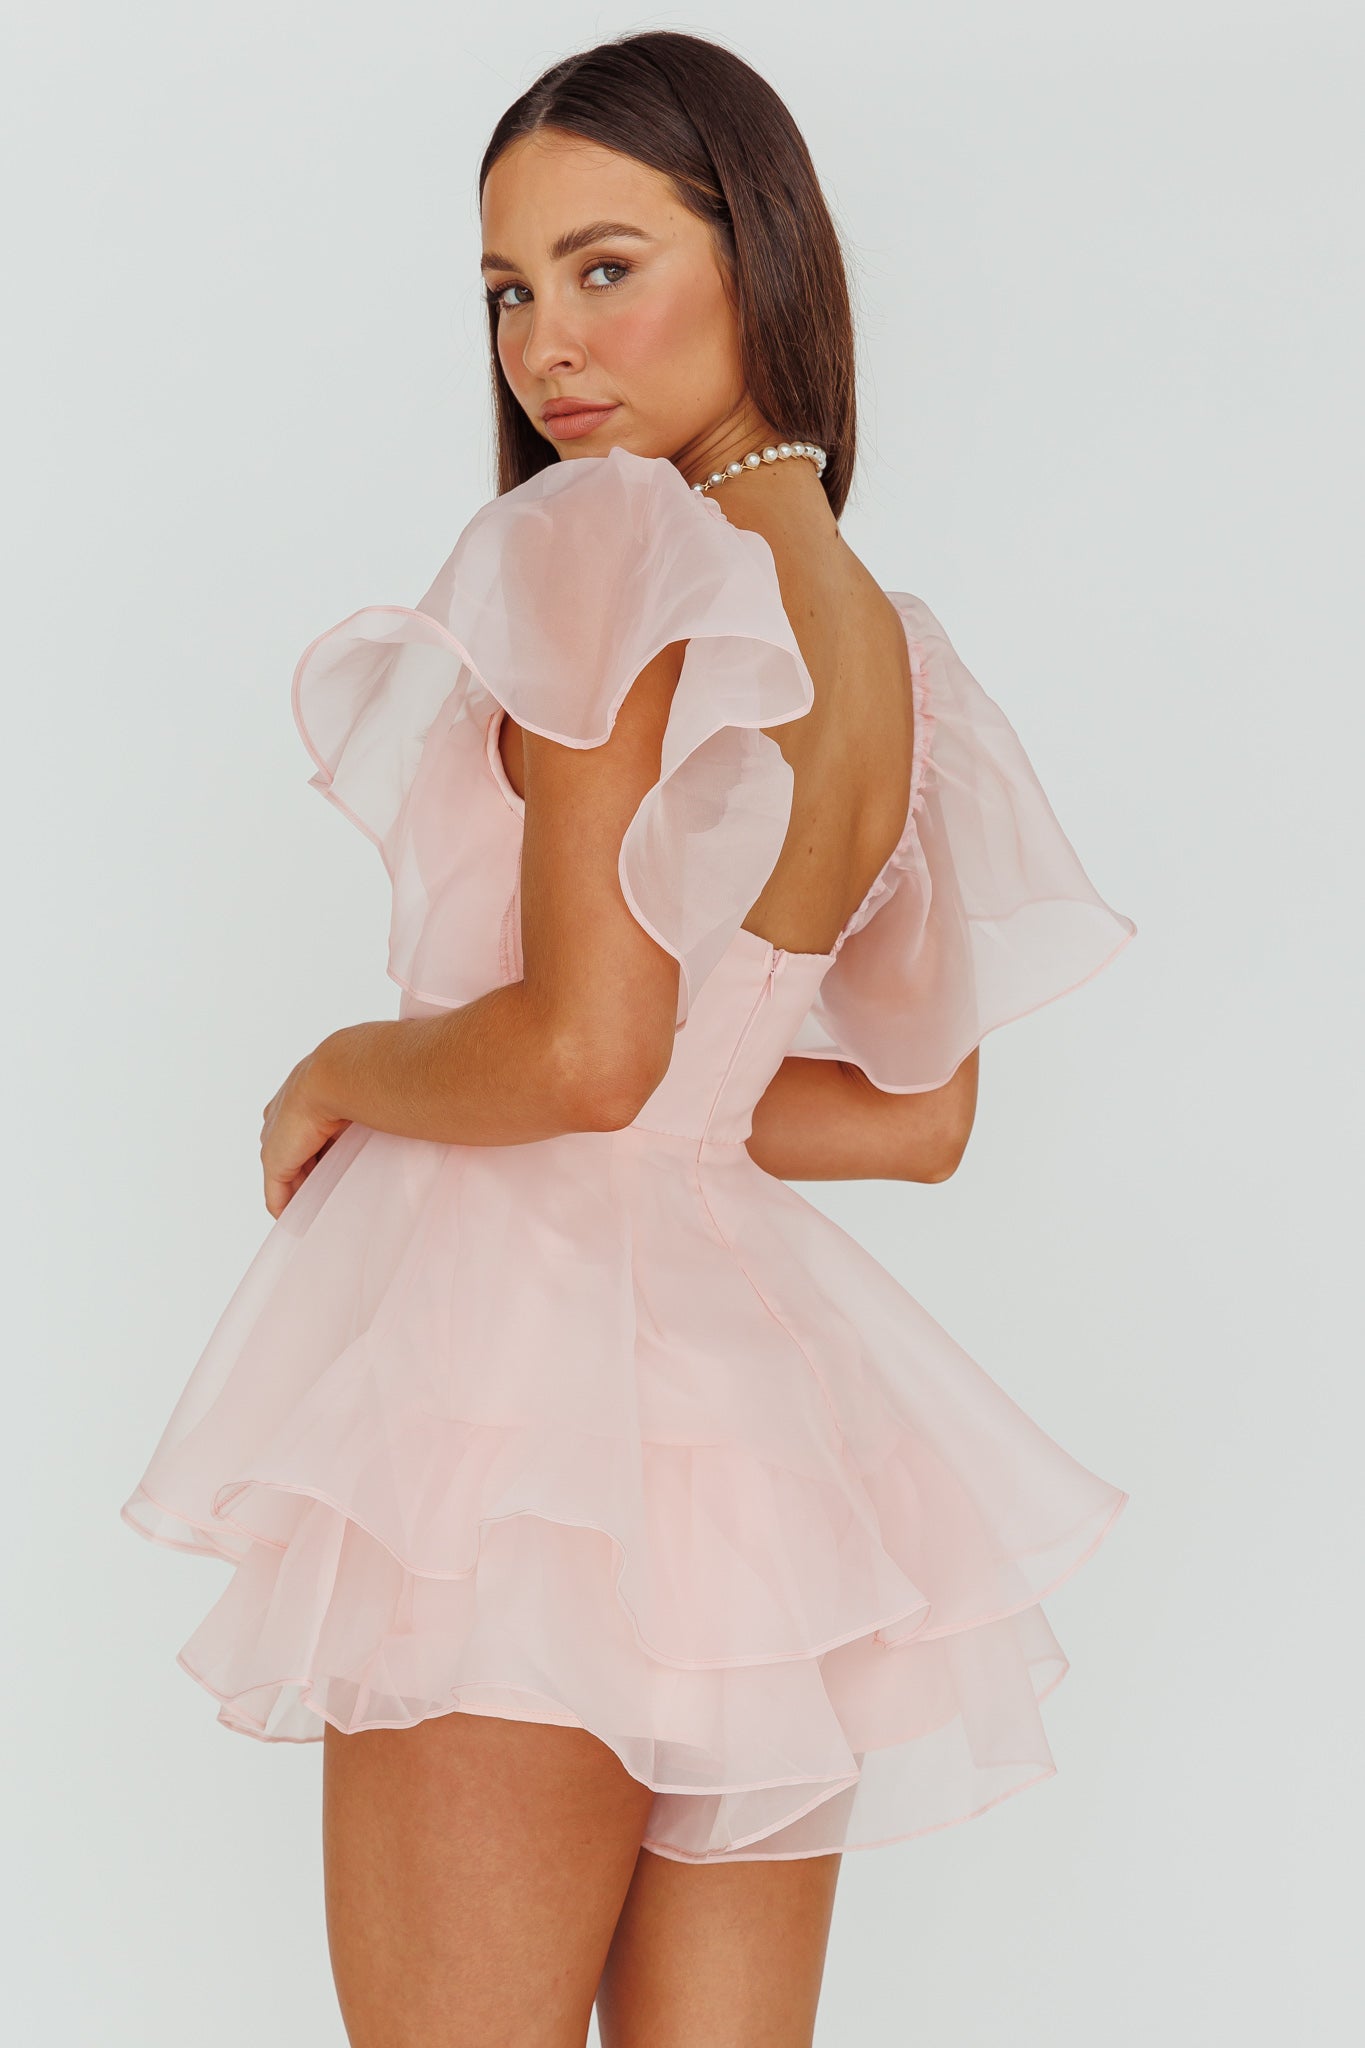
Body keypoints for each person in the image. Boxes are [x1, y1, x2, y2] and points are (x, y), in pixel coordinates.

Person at [120, 29, 1137, 2048]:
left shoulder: (604, 547)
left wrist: (337, 1066)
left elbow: (584, 1055)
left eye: (605, 267)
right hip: (749, 1434)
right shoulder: (882, 643)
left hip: (510, 1403)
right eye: (507, 291)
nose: (545, 347)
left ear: (761, 254)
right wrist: (660, 1095)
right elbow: (910, 1114)